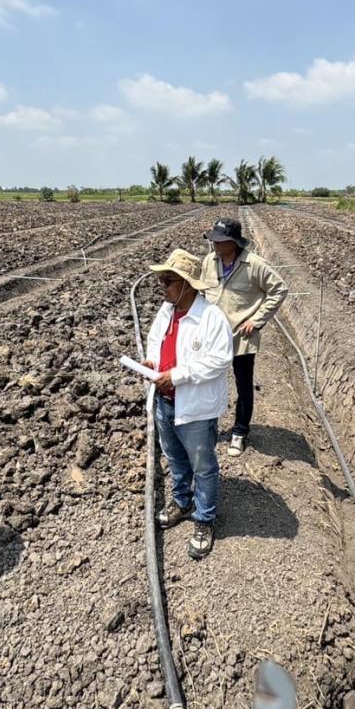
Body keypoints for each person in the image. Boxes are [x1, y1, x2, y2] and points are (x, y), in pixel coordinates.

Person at [142, 249, 234, 560]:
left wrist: (177, 375)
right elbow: (156, 342)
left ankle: (204, 519)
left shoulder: (211, 317)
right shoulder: (166, 311)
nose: (162, 286)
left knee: (203, 466)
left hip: (194, 407)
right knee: (175, 458)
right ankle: (182, 501)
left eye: (167, 280)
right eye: (161, 280)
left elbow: (219, 361)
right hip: (166, 402)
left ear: (187, 284)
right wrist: (152, 362)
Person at [199, 218, 288, 457]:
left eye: (219, 240)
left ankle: (239, 432)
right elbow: (201, 292)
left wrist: (257, 320)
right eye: (213, 239)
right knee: (208, 382)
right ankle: (209, 427)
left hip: (241, 336)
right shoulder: (209, 261)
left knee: (243, 385)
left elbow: (279, 289)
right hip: (212, 337)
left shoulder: (254, 265)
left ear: (233, 243)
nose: (214, 244)